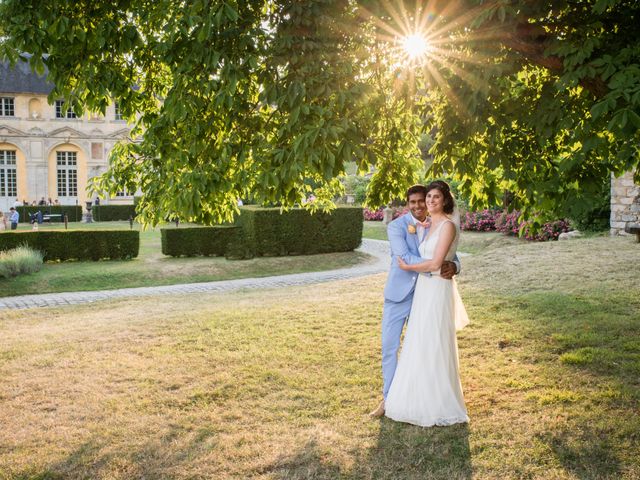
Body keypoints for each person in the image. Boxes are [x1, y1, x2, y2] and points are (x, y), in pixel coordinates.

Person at [369, 183, 461, 418]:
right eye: (414, 202)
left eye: (424, 200)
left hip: (426, 296)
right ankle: (389, 400)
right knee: (390, 348)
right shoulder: (397, 226)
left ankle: (424, 396)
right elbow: (405, 257)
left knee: (424, 347)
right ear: (407, 204)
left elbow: (451, 253)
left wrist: (455, 265)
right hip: (400, 295)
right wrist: (436, 268)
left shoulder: (438, 223)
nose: (420, 205)